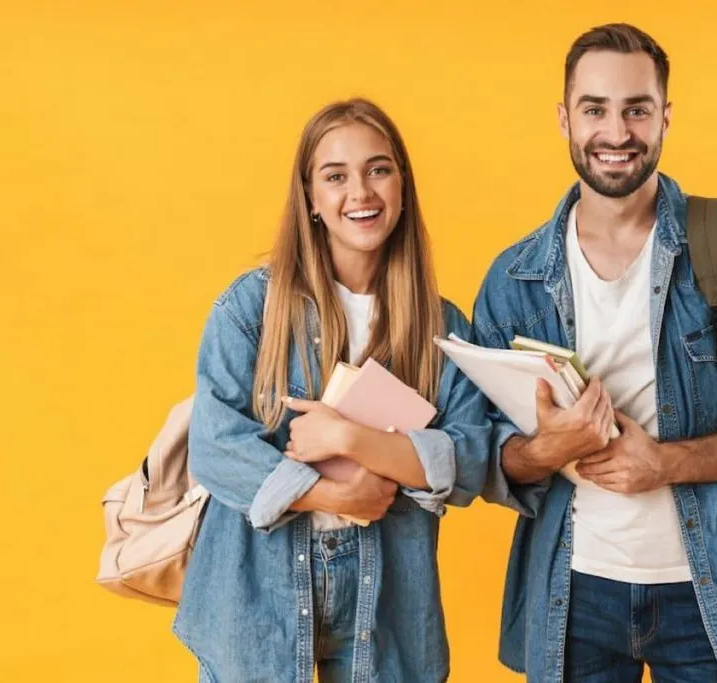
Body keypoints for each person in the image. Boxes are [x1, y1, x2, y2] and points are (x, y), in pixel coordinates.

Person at [475, 24, 717, 683]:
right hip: (573, 594)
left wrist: (664, 463)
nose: (617, 133)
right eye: (595, 109)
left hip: (709, 597)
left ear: (665, 115)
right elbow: (487, 459)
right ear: (564, 118)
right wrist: (547, 450)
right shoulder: (514, 279)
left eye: (637, 109)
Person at [173, 98, 490, 683]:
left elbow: (469, 458)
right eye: (335, 176)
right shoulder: (252, 309)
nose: (360, 193)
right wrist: (332, 496)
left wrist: (351, 438)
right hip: (255, 600)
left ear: (401, 185)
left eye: (378, 169)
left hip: (391, 601)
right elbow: (217, 447)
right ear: (311, 200)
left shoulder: (440, 328)